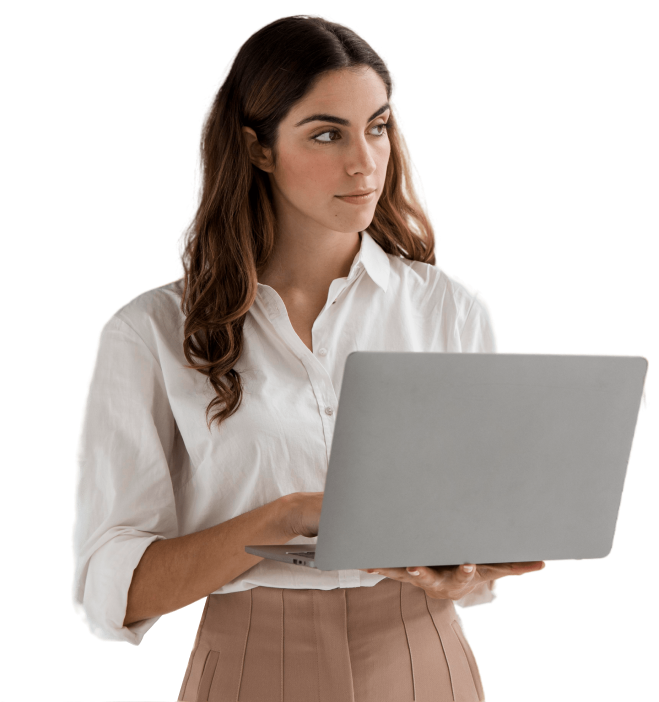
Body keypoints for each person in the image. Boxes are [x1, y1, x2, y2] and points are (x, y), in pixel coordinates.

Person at [71, 13, 546, 702]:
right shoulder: (149, 332)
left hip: (422, 649)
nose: (363, 161)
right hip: (245, 656)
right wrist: (282, 518)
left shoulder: (449, 310)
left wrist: (470, 572)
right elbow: (110, 585)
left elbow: (469, 537)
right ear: (257, 149)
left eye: (377, 127)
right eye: (327, 133)